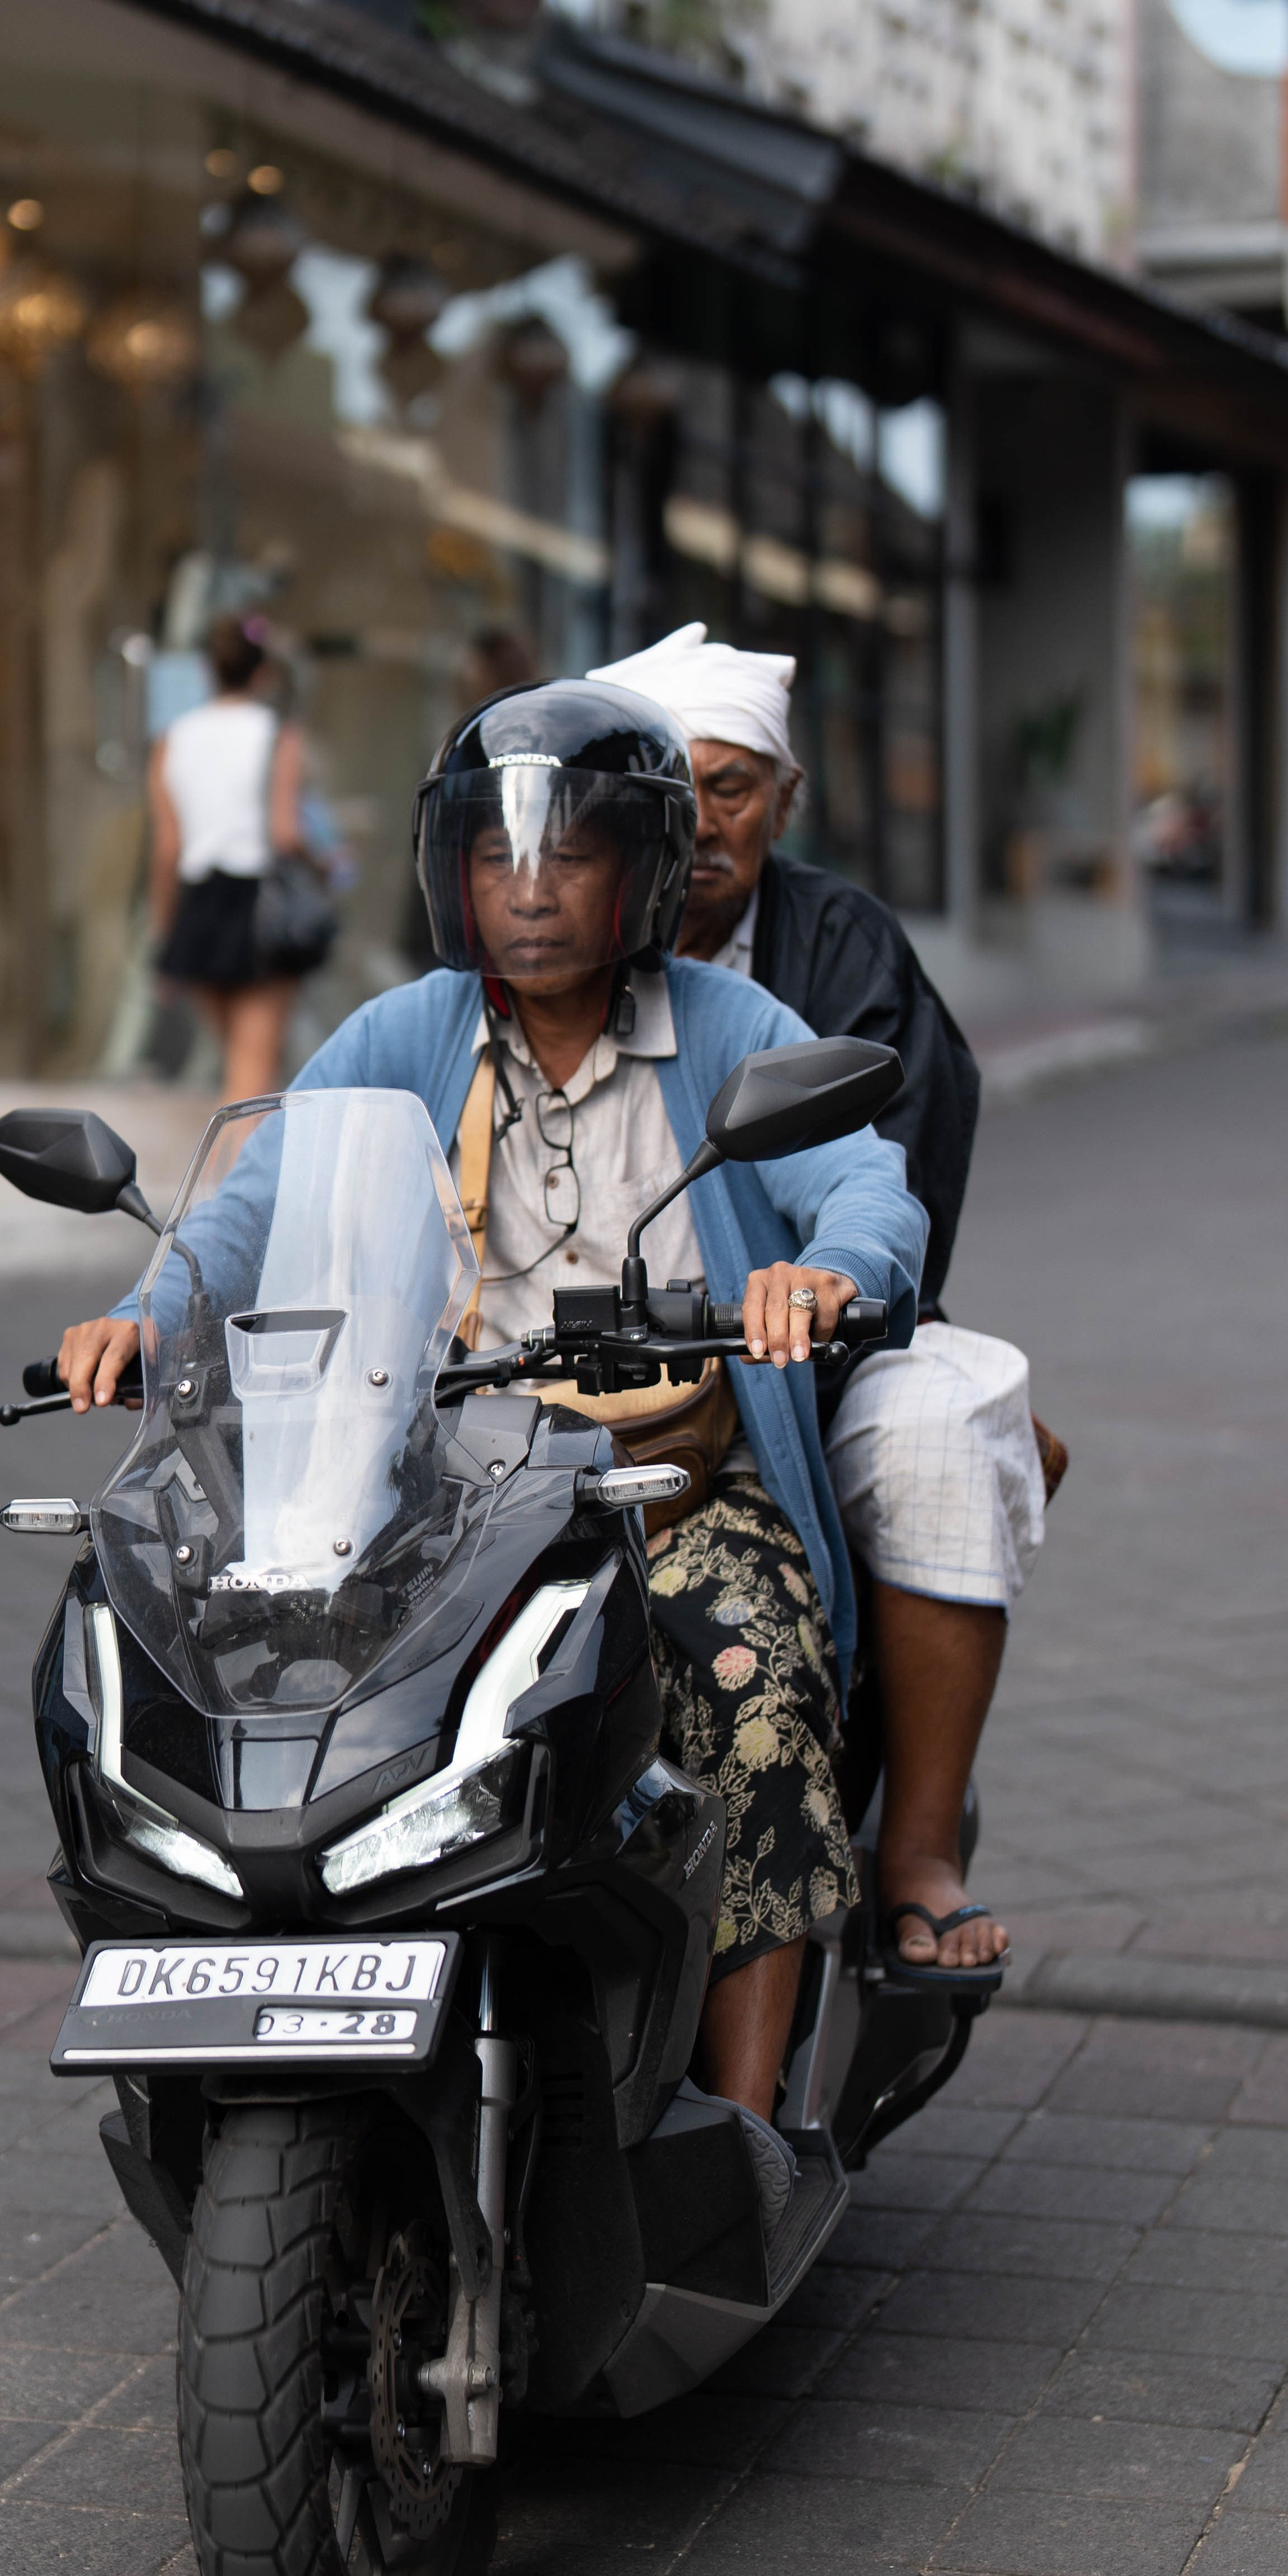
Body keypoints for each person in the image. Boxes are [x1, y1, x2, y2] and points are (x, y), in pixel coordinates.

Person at [54, 676, 928, 2169]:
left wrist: (822, 1274)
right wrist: (153, 1307)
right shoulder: (403, 1034)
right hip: (430, 1490)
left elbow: (861, 1181)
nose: (526, 891)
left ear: (640, 871)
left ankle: (733, 2130)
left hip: (664, 1482)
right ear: (451, 873)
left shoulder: (724, 1025)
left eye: (568, 854)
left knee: (750, 1684)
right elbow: (254, 1201)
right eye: (496, 858)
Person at [588, 623, 1046, 1980]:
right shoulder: (532, 949)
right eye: (672, 792)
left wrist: (806, 1305)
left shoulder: (838, 954)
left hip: (810, 1357)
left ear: (782, 802)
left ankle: (912, 1849)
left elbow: (883, 1198)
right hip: (564, 1366)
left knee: (940, 1427)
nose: (702, 824)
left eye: (733, 789)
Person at [150, 614, 311, 1102]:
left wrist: (165, 940)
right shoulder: (277, 735)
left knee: (239, 1072)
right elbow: (285, 834)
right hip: (257, 909)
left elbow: (168, 849)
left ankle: (242, 1172)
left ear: (207, 671)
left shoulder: (172, 741)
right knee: (252, 1080)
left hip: (198, 908)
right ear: (261, 675)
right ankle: (241, 1177)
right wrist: (324, 864)